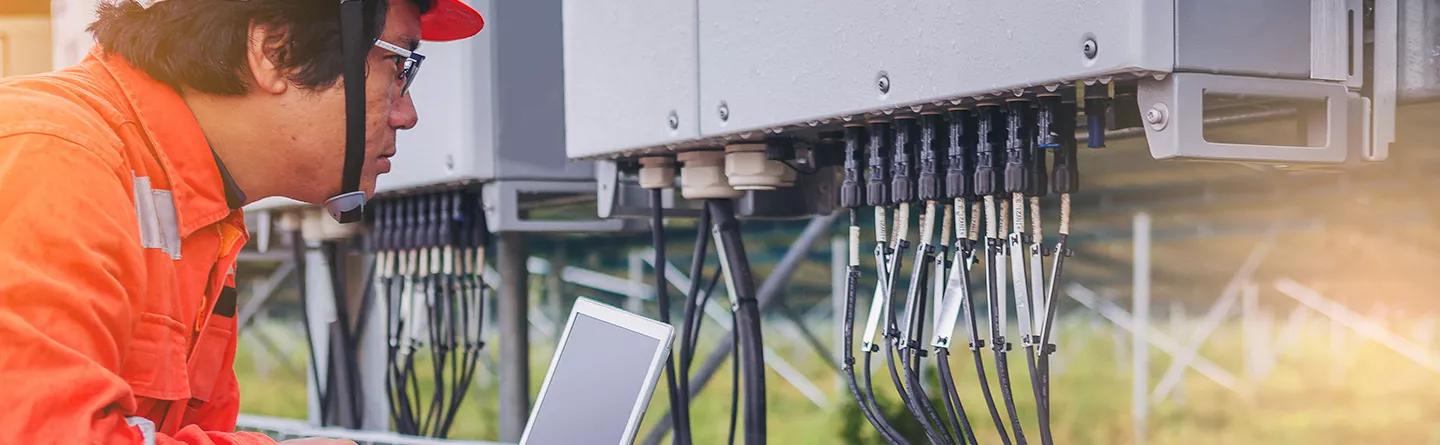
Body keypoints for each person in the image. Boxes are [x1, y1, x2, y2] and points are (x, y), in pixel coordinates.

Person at [0, 0, 482, 443]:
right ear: (276, 50)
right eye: (398, 66)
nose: (408, 114)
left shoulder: (202, 215)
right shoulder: (52, 154)